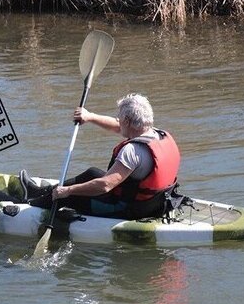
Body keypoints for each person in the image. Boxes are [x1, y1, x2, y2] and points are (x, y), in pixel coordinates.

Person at [20, 93, 181, 220]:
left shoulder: (132, 151)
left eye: (120, 118)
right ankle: (40, 192)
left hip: (129, 209)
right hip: (156, 202)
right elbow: (119, 127)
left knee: (70, 196)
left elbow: (105, 186)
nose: (118, 120)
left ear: (127, 120)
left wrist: (68, 191)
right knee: (92, 173)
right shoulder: (156, 134)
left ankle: (30, 205)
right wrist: (89, 116)